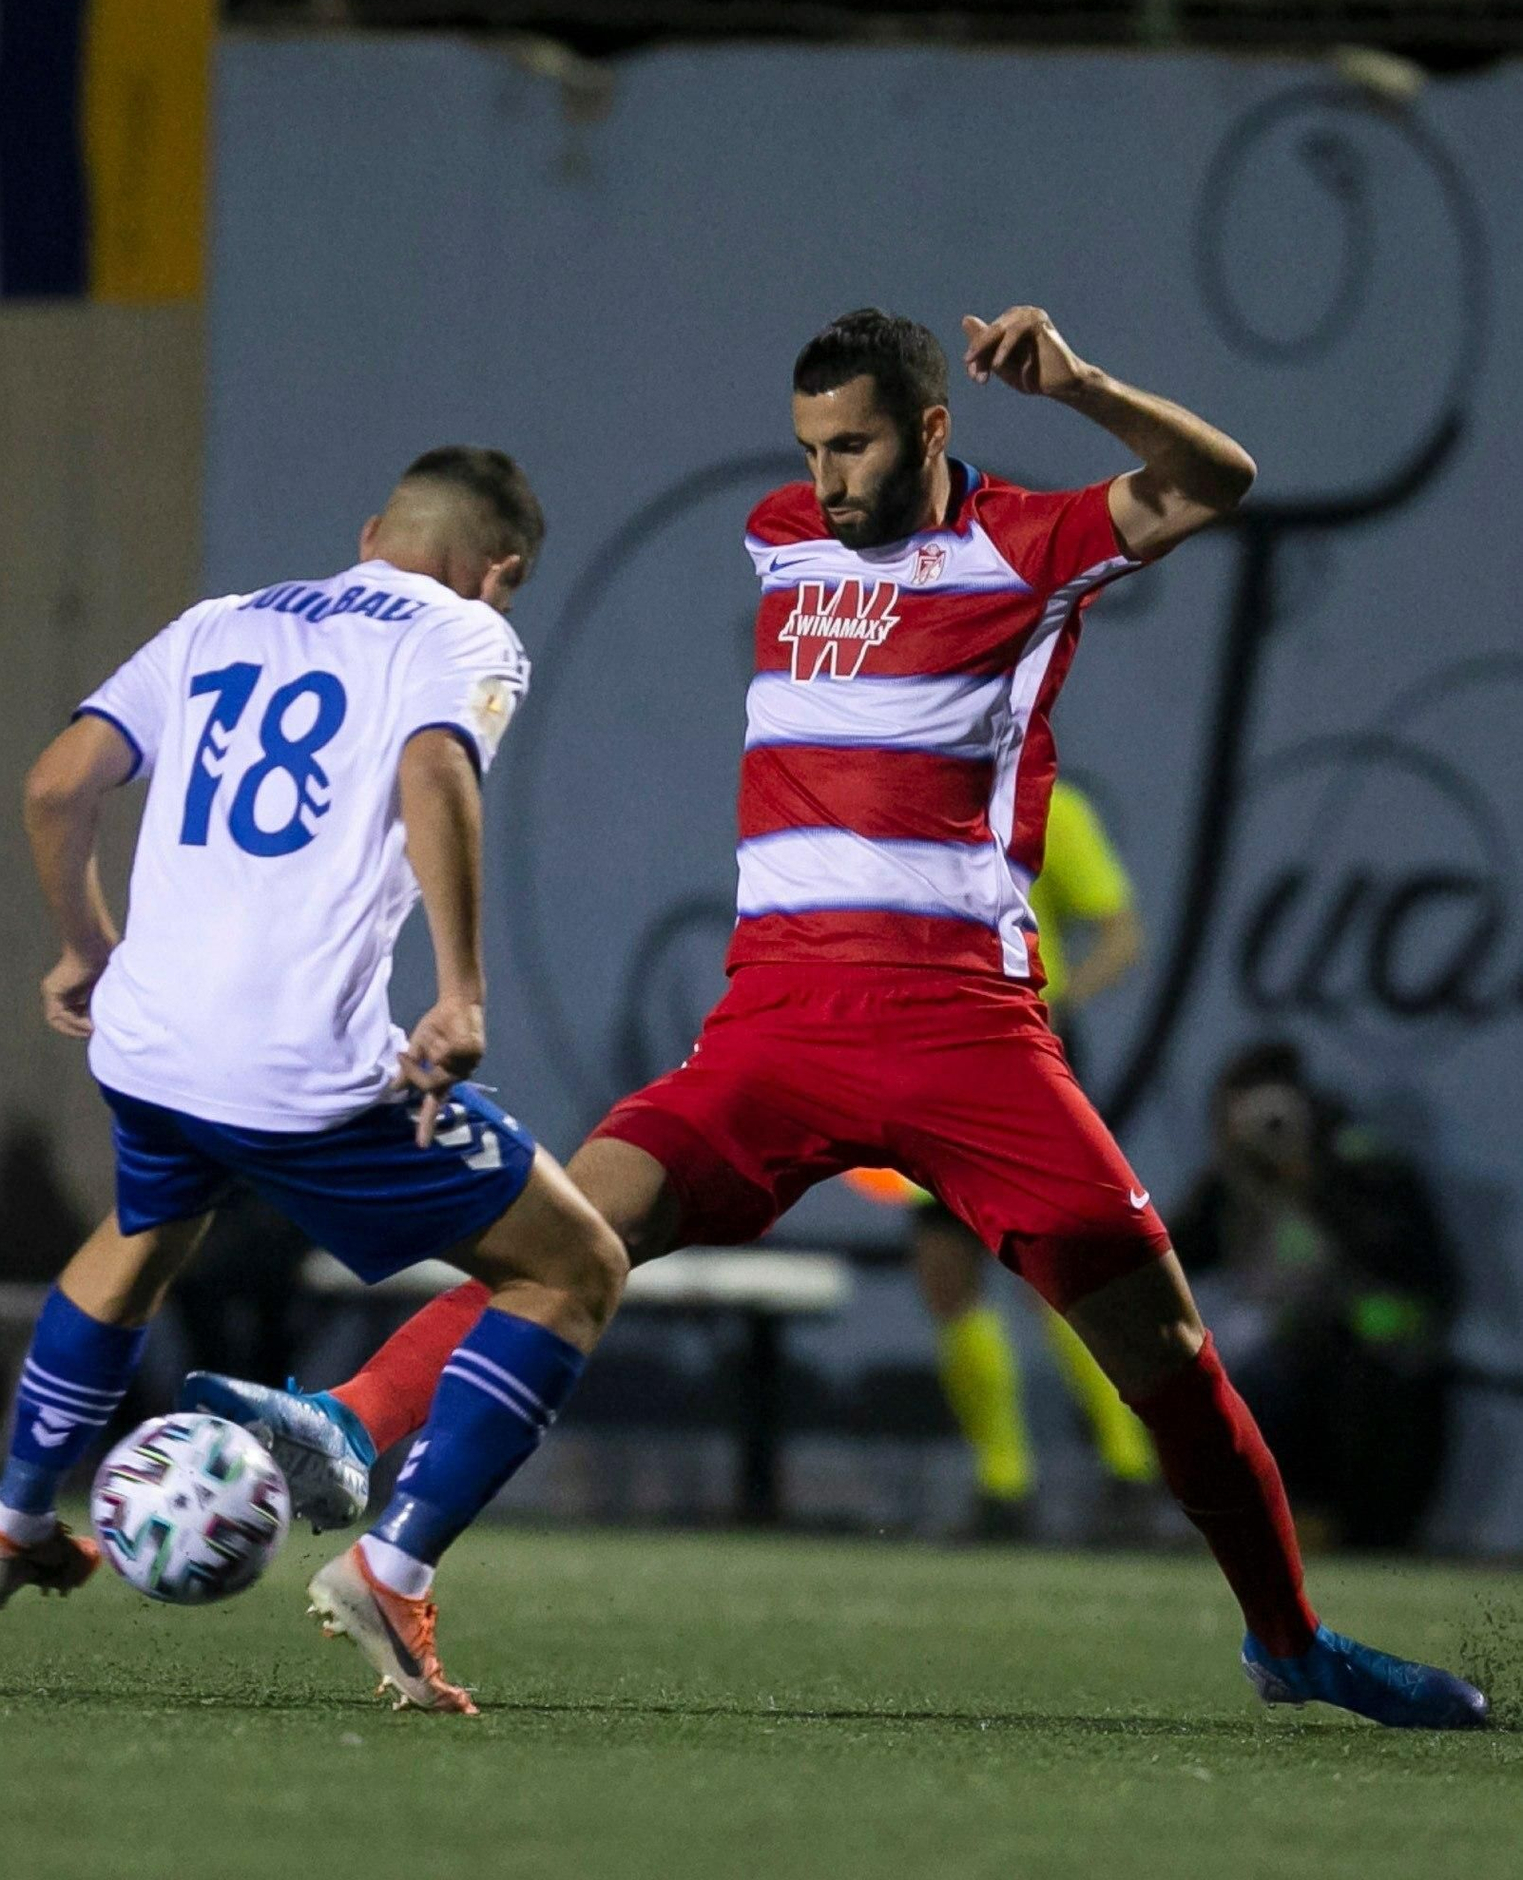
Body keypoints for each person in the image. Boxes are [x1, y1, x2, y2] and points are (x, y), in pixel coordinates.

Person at [196, 307, 1484, 1728]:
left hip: (965, 1032)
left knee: (1167, 1354)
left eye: (856, 444)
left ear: (934, 430)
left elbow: (1216, 480)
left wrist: (1086, 385)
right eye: (812, 447)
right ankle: (348, 1432)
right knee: (567, 1233)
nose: (827, 478)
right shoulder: (779, 534)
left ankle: (1289, 1637)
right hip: (778, 1021)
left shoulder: (1029, 544)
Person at [0, 447, 630, 1716]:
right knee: (574, 1267)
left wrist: (85, 948)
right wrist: (462, 989)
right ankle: (395, 1562)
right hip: (296, 1068)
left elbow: (57, 786)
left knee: (145, 1233)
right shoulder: (465, 634)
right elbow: (435, 771)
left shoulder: (221, 621)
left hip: (150, 1042)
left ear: (370, 530)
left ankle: (11, 1518)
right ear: (504, 572)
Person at [849, 778, 1154, 1541]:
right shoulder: (910, 805)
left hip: (1025, 1054)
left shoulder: (1055, 808)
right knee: (946, 1272)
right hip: (935, 1056)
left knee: (1052, 1273)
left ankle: (1130, 1468)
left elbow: (1120, 932)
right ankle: (1003, 1484)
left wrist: (1055, 1003)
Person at [1173, 1042, 1460, 1550]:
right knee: (1210, 1375)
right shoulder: (1234, 1180)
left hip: (1379, 1379)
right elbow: (1174, 1251)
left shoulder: (1360, 1167)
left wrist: (1310, 1178)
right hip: (1290, 1368)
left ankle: (1337, 1523)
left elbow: (1413, 1268)